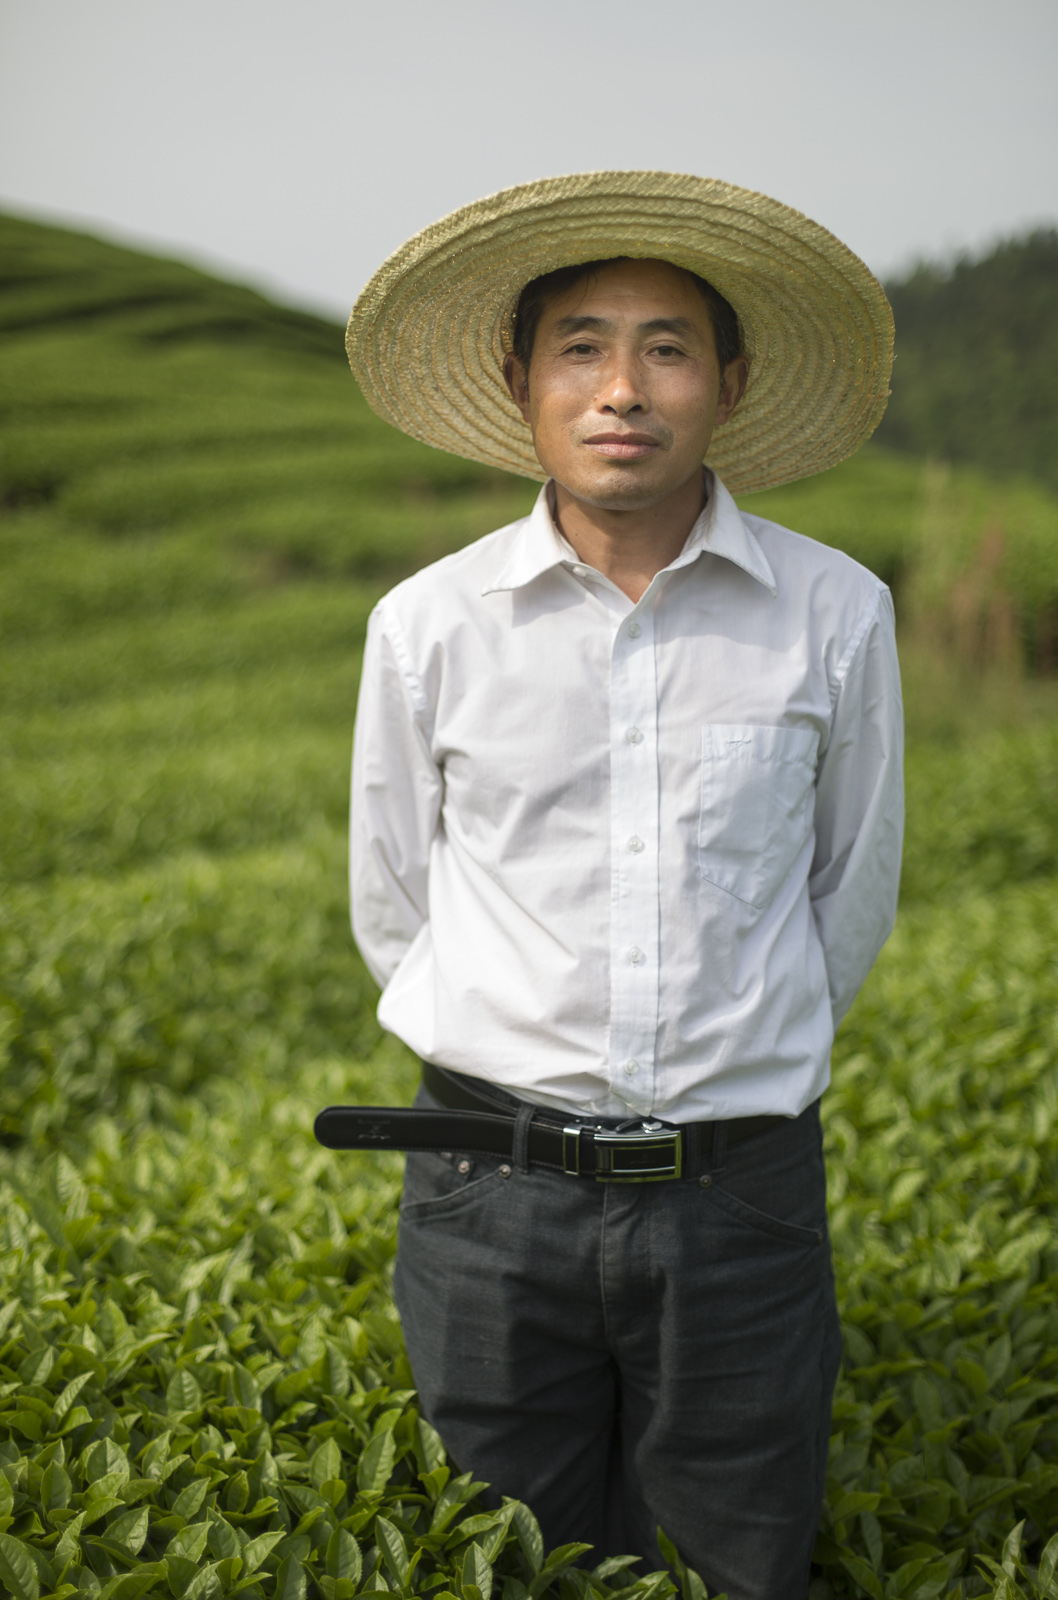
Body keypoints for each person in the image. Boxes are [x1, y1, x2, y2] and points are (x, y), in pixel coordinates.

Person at [329, 172, 904, 1600]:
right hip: (486, 1189)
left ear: (729, 382)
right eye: (581, 346)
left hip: (741, 1192)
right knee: (504, 1561)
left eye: (667, 347)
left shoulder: (836, 614)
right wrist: (509, 1061)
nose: (622, 388)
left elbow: (851, 890)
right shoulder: (430, 626)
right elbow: (393, 896)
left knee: (738, 1559)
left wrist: (732, 1055)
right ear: (522, 382)